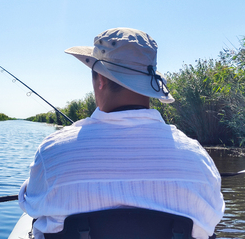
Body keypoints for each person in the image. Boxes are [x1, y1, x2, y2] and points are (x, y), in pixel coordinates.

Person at [18, 27, 225, 239]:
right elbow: (211, 221)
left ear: (101, 80)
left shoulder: (52, 152)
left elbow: (31, 204)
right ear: (150, 84)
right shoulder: (199, 159)